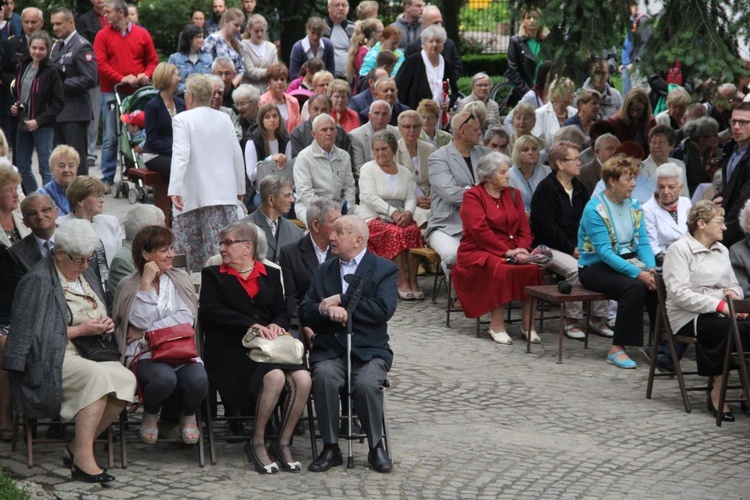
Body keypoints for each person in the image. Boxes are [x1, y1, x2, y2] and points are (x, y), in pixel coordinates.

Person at [3, 219, 136, 484]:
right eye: (79, 260)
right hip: (49, 357)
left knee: (126, 380)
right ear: (60, 253)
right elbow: (26, 337)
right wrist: (78, 330)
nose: (85, 266)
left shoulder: (83, 274)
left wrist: (106, 322)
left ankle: (75, 446)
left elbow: (99, 308)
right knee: (97, 378)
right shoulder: (38, 281)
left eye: (89, 259)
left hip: (90, 352)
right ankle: (84, 460)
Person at [200, 221, 311, 473]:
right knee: (274, 377)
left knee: (303, 378)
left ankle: (282, 442)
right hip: (230, 349)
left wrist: (275, 324)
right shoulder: (213, 274)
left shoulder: (270, 273)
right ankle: (257, 441)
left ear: (247, 247)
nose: (222, 249)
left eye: (228, 243)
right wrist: (251, 324)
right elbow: (210, 312)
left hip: (268, 347)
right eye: (222, 243)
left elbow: (283, 310)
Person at [300, 215, 396, 473]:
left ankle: (376, 446)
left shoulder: (383, 269)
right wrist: (323, 307)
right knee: (324, 377)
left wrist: (342, 302)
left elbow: (383, 309)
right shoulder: (324, 270)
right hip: (331, 348)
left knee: (366, 384)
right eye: (333, 231)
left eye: (338, 233)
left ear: (358, 240)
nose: (331, 237)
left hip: (368, 349)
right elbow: (305, 310)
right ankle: (330, 447)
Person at [112, 226, 208, 444]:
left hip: (180, 350)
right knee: (164, 379)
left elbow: (186, 318)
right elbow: (137, 320)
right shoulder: (129, 285)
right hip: (144, 354)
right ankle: (151, 412)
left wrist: (146, 332)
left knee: (199, 381)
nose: (171, 254)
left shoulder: (179, 279)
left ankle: (188, 414)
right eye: (164, 250)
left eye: (171, 248)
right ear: (146, 254)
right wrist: (145, 283)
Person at [664, 201, 746, 422]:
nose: (725, 227)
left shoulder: (722, 250)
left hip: (721, 311)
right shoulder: (679, 250)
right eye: (719, 222)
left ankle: (746, 389)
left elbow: (734, 284)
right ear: (701, 224)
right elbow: (679, 294)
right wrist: (719, 305)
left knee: (745, 328)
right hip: (688, 315)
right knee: (728, 330)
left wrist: (733, 294)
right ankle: (717, 394)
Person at [452, 152, 542, 344]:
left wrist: (523, 249)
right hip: (478, 249)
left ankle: (528, 325)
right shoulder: (473, 196)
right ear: (488, 177)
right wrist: (507, 252)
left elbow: (524, 228)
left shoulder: (514, 194)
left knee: (533, 269)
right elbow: (480, 231)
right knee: (501, 269)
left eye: (507, 171)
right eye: (502, 172)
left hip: (514, 248)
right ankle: (496, 325)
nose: (508, 175)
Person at [578, 156, 658, 369]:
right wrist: (637, 273)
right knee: (634, 287)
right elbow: (604, 253)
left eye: (634, 179)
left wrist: (650, 268)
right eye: (628, 179)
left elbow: (643, 244)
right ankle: (617, 348)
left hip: (625, 261)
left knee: (658, 284)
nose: (634, 184)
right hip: (593, 266)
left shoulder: (634, 205)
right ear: (612, 182)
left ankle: (663, 344)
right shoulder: (595, 209)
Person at [530, 142, 610, 340]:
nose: (578, 162)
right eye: (574, 159)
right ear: (559, 163)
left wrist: (587, 246)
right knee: (576, 269)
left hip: (577, 245)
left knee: (604, 264)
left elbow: (587, 222)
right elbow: (546, 228)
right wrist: (572, 248)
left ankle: (598, 318)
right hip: (547, 247)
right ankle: (571, 320)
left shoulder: (580, 189)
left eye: (578, 158)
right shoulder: (546, 189)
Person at [168, 74, 245, 273]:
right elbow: (237, 154)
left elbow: (180, 155)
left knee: (191, 258)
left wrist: (175, 189)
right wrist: (239, 188)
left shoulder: (182, 119)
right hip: (224, 195)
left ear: (190, 96)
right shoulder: (224, 118)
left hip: (195, 197)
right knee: (225, 253)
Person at [94, 0, 158, 193]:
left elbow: (153, 60)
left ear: (120, 13)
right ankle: (107, 177)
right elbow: (102, 64)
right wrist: (122, 78)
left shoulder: (142, 34)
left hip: (139, 92)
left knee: (142, 133)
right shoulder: (102, 35)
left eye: (108, 12)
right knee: (111, 135)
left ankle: (144, 170)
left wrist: (146, 74)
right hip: (113, 91)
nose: (104, 16)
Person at [359, 130, 424, 299]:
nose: (380, 153)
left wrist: (409, 212)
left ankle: (413, 281)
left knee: (412, 230)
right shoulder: (368, 169)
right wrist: (393, 213)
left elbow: (410, 197)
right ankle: (401, 281)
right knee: (396, 233)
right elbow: (369, 197)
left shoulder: (404, 172)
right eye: (377, 149)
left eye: (384, 149)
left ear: (393, 150)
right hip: (373, 217)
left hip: (400, 216)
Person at [426, 111, 490, 273]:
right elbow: (452, 194)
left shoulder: (486, 154)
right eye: (476, 129)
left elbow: (500, 182)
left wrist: (472, 190)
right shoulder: (438, 158)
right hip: (448, 226)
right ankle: (456, 298)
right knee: (453, 255)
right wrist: (483, 194)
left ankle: (490, 297)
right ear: (462, 132)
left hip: (484, 224)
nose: (480, 133)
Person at [12, 31, 64, 194]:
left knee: (45, 168)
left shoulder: (52, 71)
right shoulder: (23, 66)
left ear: (47, 50)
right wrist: (15, 106)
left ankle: (51, 200)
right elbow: (20, 92)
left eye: (41, 49)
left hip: (43, 125)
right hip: (23, 122)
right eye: (34, 48)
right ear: (29, 47)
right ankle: (36, 198)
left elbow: (58, 102)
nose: (37, 52)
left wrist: (39, 121)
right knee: (22, 166)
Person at [49, 7, 98, 176]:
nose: (55, 28)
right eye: (53, 24)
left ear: (71, 22)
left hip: (75, 113)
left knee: (76, 161)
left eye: (59, 24)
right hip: (57, 112)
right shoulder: (56, 46)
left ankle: (83, 196)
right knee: (59, 161)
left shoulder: (81, 46)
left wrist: (59, 85)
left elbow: (90, 78)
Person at [278, 198, 341, 327]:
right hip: (304, 322)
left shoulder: (343, 250)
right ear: (316, 225)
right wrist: (303, 327)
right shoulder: (290, 253)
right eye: (335, 223)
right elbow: (291, 299)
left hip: (338, 321)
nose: (340, 228)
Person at [294, 113, 356, 225]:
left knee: (363, 222)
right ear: (314, 134)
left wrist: (347, 208)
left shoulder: (344, 156)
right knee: (325, 226)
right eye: (324, 130)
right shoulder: (304, 157)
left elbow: (349, 188)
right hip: (311, 207)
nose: (329, 133)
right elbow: (305, 193)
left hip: (340, 206)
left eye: (332, 129)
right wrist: (330, 212)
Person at [394, 25, 457, 113]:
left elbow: (454, 90)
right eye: (431, 41)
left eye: (438, 41)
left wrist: (449, 101)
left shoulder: (447, 64)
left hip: (441, 115)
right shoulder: (412, 61)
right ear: (423, 44)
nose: (434, 45)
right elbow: (400, 88)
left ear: (443, 45)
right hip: (415, 114)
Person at [107, 204, 164, 298]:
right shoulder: (122, 260)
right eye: (157, 231)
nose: (162, 236)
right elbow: (131, 301)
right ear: (144, 232)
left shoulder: (160, 252)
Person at [242, 176, 303, 263]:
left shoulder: (296, 232)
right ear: (271, 199)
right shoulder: (243, 229)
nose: (292, 200)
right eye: (287, 195)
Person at [715, 102, 750, 248]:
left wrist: (720, 233)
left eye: (743, 122)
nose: (736, 127)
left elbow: (744, 201)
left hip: (742, 229)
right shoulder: (731, 150)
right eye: (733, 121)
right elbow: (730, 187)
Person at [142, 62, 185, 180]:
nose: (180, 79)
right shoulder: (152, 106)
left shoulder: (181, 103)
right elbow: (152, 140)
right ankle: (174, 198)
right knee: (178, 168)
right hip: (155, 154)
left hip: (177, 153)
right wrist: (176, 150)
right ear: (166, 78)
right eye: (176, 75)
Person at [642, 163, 691, 266]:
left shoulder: (686, 203)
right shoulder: (647, 209)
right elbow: (652, 245)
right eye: (661, 187)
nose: (665, 191)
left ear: (680, 188)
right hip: (665, 260)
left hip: (690, 254)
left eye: (671, 187)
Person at [244, 103, 292, 202]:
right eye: (267, 117)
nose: (272, 120)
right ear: (261, 121)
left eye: (275, 116)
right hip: (259, 190)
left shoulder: (285, 139)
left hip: (281, 188)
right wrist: (269, 159)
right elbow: (251, 175)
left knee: (292, 202)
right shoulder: (252, 141)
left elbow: (289, 172)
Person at [397, 110, 434, 227]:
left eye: (416, 126)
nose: (412, 130)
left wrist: (432, 198)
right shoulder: (394, 150)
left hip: (429, 199)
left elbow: (437, 178)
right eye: (407, 127)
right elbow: (394, 183)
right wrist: (414, 200)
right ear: (400, 129)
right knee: (423, 215)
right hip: (406, 202)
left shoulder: (429, 149)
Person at [349, 99, 401, 179]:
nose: (380, 117)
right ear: (369, 116)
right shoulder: (356, 136)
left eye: (384, 114)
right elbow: (359, 170)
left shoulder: (397, 133)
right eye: (376, 113)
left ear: (390, 117)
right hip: (370, 181)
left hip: (396, 178)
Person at [505, 8, 548, 104]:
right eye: (528, 18)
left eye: (535, 17)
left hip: (545, 91)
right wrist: (528, 93)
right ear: (523, 22)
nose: (532, 20)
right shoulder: (516, 41)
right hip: (524, 92)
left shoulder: (546, 41)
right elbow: (513, 71)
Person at [289, 93, 350, 159]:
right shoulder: (298, 133)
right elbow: (297, 162)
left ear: (330, 111)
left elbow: (346, 159)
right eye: (316, 109)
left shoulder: (340, 134)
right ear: (309, 110)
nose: (319, 113)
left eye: (324, 110)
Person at [671, 116, 720, 196]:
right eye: (714, 135)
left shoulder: (715, 151)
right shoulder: (681, 153)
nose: (717, 137)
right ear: (702, 139)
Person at [202, 8, 245, 89]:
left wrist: (231, 86)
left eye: (240, 26)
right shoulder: (213, 39)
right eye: (236, 25)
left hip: (233, 89)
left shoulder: (238, 43)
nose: (239, 29)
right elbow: (205, 67)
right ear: (226, 22)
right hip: (215, 88)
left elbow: (241, 69)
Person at [640, 125, 688, 197]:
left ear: (671, 146)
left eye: (661, 142)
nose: (656, 146)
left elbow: (685, 194)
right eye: (653, 142)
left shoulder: (679, 164)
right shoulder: (642, 168)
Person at [508, 135, 550, 213]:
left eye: (534, 149)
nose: (531, 152)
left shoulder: (548, 172)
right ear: (517, 153)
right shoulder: (509, 175)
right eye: (525, 150)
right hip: (519, 218)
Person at [168, 24, 213, 94]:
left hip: (202, 97)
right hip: (181, 96)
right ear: (189, 39)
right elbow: (170, 81)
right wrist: (189, 88)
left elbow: (211, 79)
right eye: (198, 37)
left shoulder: (208, 58)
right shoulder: (174, 58)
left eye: (202, 37)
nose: (202, 40)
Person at [608, 88, 655, 154]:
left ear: (645, 109)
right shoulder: (615, 122)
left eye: (639, 110)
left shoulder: (651, 121)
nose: (635, 114)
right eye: (632, 109)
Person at [532, 77, 576, 147]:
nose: (574, 95)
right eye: (571, 92)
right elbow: (537, 141)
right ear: (561, 95)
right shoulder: (540, 113)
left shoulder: (574, 112)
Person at [619, 1, 652, 96]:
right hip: (627, 65)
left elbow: (646, 44)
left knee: (634, 98)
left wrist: (635, 62)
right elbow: (629, 44)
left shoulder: (643, 20)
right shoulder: (632, 21)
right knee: (626, 97)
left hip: (635, 67)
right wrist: (624, 63)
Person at [240, 14, 278, 94]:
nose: (260, 34)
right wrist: (269, 71)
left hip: (268, 91)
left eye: (262, 30)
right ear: (249, 30)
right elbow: (251, 72)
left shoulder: (271, 47)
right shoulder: (244, 46)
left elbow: (276, 71)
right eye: (256, 31)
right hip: (248, 92)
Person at [258, 63, 301, 133]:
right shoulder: (262, 101)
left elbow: (297, 126)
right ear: (269, 82)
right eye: (275, 79)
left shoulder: (294, 101)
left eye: (282, 79)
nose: (280, 82)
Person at [37, 145, 78, 216]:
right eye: (61, 166)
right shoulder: (42, 195)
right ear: (51, 169)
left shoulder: (85, 192)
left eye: (71, 166)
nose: (66, 170)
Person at [346, 18, 383, 93]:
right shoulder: (363, 53)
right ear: (374, 33)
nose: (383, 35)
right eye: (381, 31)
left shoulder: (370, 50)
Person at [323, 0, 354, 79]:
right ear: (329, 8)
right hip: (327, 78)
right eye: (337, 5)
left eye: (343, 5)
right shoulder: (321, 27)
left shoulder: (353, 27)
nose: (341, 8)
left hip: (350, 78)